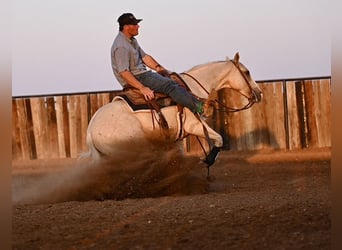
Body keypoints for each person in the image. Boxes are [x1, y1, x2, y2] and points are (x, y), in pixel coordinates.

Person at [111, 13, 204, 115]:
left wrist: (159, 68)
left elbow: (145, 57)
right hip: (138, 77)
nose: (138, 26)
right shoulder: (121, 46)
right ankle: (199, 108)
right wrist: (142, 88)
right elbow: (123, 72)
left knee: (172, 79)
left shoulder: (132, 41)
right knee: (170, 85)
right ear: (126, 27)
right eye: (135, 24)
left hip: (142, 74)